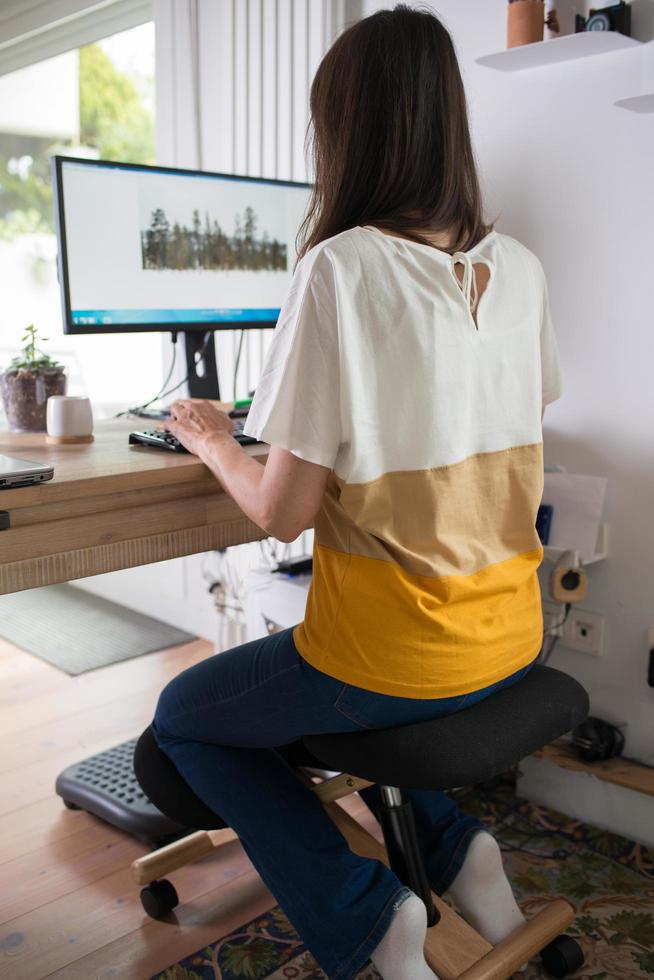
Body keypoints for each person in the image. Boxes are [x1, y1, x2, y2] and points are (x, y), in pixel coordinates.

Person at [151, 5, 562, 979]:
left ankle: (363, 908)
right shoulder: (523, 269)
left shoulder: (340, 267)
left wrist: (214, 436)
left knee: (186, 717)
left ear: (346, 132)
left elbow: (280, 513)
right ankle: (462, 850)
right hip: (511, 631)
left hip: (394, 652)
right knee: (372, 699)